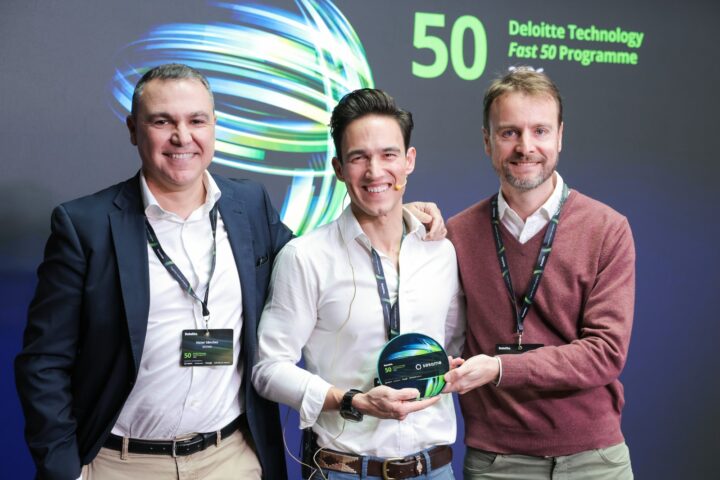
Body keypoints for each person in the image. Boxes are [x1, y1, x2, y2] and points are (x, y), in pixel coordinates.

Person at [15, 64, 445, 480]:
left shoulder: (249, 206)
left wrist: (391, 213)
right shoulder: (86, 226)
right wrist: (65, 472)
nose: (182, 136)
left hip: (230, 459)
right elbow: (43, 363)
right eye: (162, 121)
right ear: (133, 129)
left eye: (196, 120)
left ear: (214, 126)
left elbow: (321, 256)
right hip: (122, 463)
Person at [252, 88, 465, 480]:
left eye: (388, 155)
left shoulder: (441, 253)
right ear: (338, 167)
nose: (374, 171)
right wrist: (352, 400)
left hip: (434, 469)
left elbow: (451, 345)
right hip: (346, 471)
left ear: (409, 161)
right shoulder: (306, 257)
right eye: (358, 158)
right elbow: (269, 368)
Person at [444, 66, 635, 479]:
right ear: (487, 141)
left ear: (560, 137)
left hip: (595, 459)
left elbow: (605, 352)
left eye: (540, 131)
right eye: (509, 132)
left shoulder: (607, 229)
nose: (525, 147)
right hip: (498, 462)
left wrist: (501, 368)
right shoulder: (455, 235)